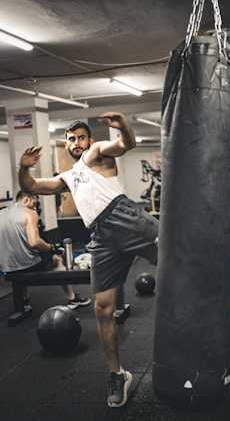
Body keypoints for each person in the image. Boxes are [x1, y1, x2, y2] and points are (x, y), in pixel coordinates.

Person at [18, 111, 159, 408]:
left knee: (179, 262)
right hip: (100, 236)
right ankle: (117, 375)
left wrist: (122, 126)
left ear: (89, 140)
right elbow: (32, 187)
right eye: (71, 139)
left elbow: (125, 145)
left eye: (81, 137)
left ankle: (212, 243)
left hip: (126, 218)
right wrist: (22, 168)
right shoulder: (66, 178)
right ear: (67, 145)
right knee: (103, 308)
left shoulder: (96, 153)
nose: (76, 142)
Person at [0, 191, 91, 310]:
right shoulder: (29, 213)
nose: (34, 207)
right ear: (26, 200)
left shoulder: (1, 213)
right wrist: (51, 248)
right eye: (34, 203)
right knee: (57, 259)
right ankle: (72, 298)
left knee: (23, 257)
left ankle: (25, 301)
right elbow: (34, 242)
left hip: (7, 267)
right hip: (28, 265)